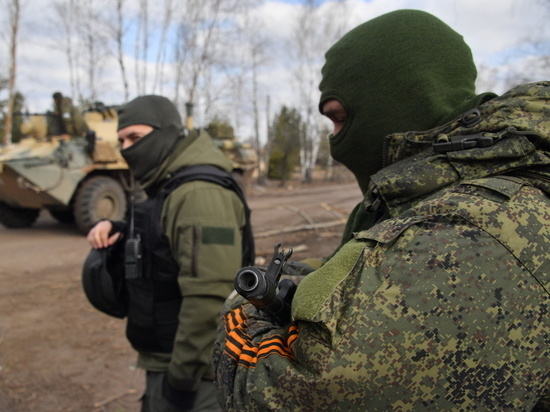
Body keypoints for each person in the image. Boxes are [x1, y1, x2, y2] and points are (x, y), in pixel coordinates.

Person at [213, 9, 549, 411]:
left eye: (340, 119)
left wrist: (239, 309)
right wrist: (307, 281)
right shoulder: (426, 198)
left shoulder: (467, 233)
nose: (335, 139)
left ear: (399, 101)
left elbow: (292, 395)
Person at [87, 95, 254, 412]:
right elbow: (169, 246)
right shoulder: (173, 186)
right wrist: (122, 231)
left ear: (167, 132)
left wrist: (180, 382)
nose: (127, 148)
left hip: (198, 375)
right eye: (122, 140)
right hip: (170, 360)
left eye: (135, 137)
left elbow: (208, 298)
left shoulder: (199, 194)